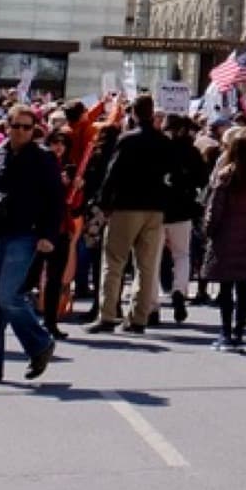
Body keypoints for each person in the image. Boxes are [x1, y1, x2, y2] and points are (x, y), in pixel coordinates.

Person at [0, 104, 63, 381]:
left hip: (24, 234)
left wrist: (48, 235)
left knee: (8, 296)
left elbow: (55, 200)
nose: (21, 132)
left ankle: (40, 343)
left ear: (34, 130)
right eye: (16, 126)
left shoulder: (43, 159)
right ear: (6, 126)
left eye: (27, 127)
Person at [95, 94, 173, 333]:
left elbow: (113, 172)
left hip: (127, 205)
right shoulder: (164, 141)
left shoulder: (127, 139)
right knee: (146, 265)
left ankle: (107, 314)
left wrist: (103, 202)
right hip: (155, 207)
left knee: (114, 260)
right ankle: (139, 317)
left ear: (135, 113)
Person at [202, 127, 246, 351]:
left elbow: (215, 209)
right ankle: (239, 332)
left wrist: (208, 230)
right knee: (244, 290)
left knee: (225, 290)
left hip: (226, 237)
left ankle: (225, 333)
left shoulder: (226, 174)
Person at [161, 115, 206, 326]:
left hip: (159, 210)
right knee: (182, 255)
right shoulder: (192, 152)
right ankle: (180, 290)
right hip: (182, 210)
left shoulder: (160, 149)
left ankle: (151, 304)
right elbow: (202, 180)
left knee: (151, 257)